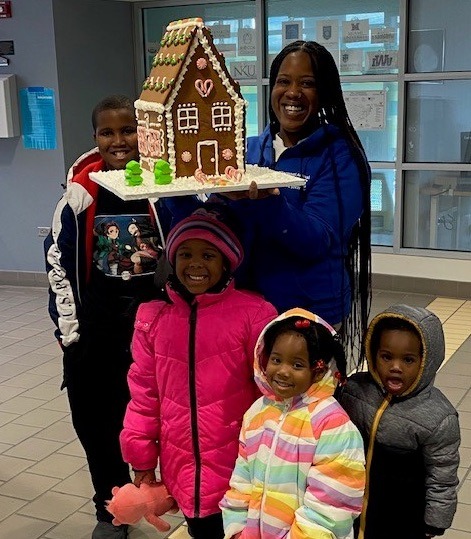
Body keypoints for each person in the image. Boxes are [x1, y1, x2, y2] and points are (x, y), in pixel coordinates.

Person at [164, 40, 372, 361]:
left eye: (308, 84)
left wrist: (268, 202)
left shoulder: (341, 158)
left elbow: (317, 240)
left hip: (309, 316)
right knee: (256, 409)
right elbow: (213, 228)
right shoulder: (248, 150)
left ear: (325, 93)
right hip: (246, 308)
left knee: (306, 411)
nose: (293, 92)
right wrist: (176, 194)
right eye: (283, 82)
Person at [44, 95, 166, 539]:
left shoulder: (161, 184)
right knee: (98, 423)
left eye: (128, 129)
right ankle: (111, 508)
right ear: (95, 137)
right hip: (96, 327)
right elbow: (57, 260)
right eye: (108, 132)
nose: (120, 140)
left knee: (152, 418)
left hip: (153, 323)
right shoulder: (79, 194)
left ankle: (168, 496)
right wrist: (69, 331)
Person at [119, 212, 277, 539]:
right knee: (202, 531)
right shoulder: (153, 317)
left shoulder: (254, 314)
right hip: (183, 468)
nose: (195, 264)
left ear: (226, 263)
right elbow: (143, 396)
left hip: (241, 469)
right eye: (185, 254)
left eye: (208, 255)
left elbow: (272, 394)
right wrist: (142, 458)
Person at [220, 308, 366, 539]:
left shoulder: (332, 425)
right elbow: (242, 478)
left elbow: (332, 506)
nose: (283, 371)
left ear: (318, 371)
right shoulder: (258, 413)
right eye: (276, 360)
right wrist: (237, 529)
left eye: (297, 365)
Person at [337, 304, 461, 539]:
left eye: (408, 359)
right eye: (386, 356)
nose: (395, 367)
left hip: (402, 518)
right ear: (373, 353)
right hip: (349, 508)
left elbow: (442, 475)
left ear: (427, 361)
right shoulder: (354, 391)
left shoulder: (439, 418)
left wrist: (435, 520)